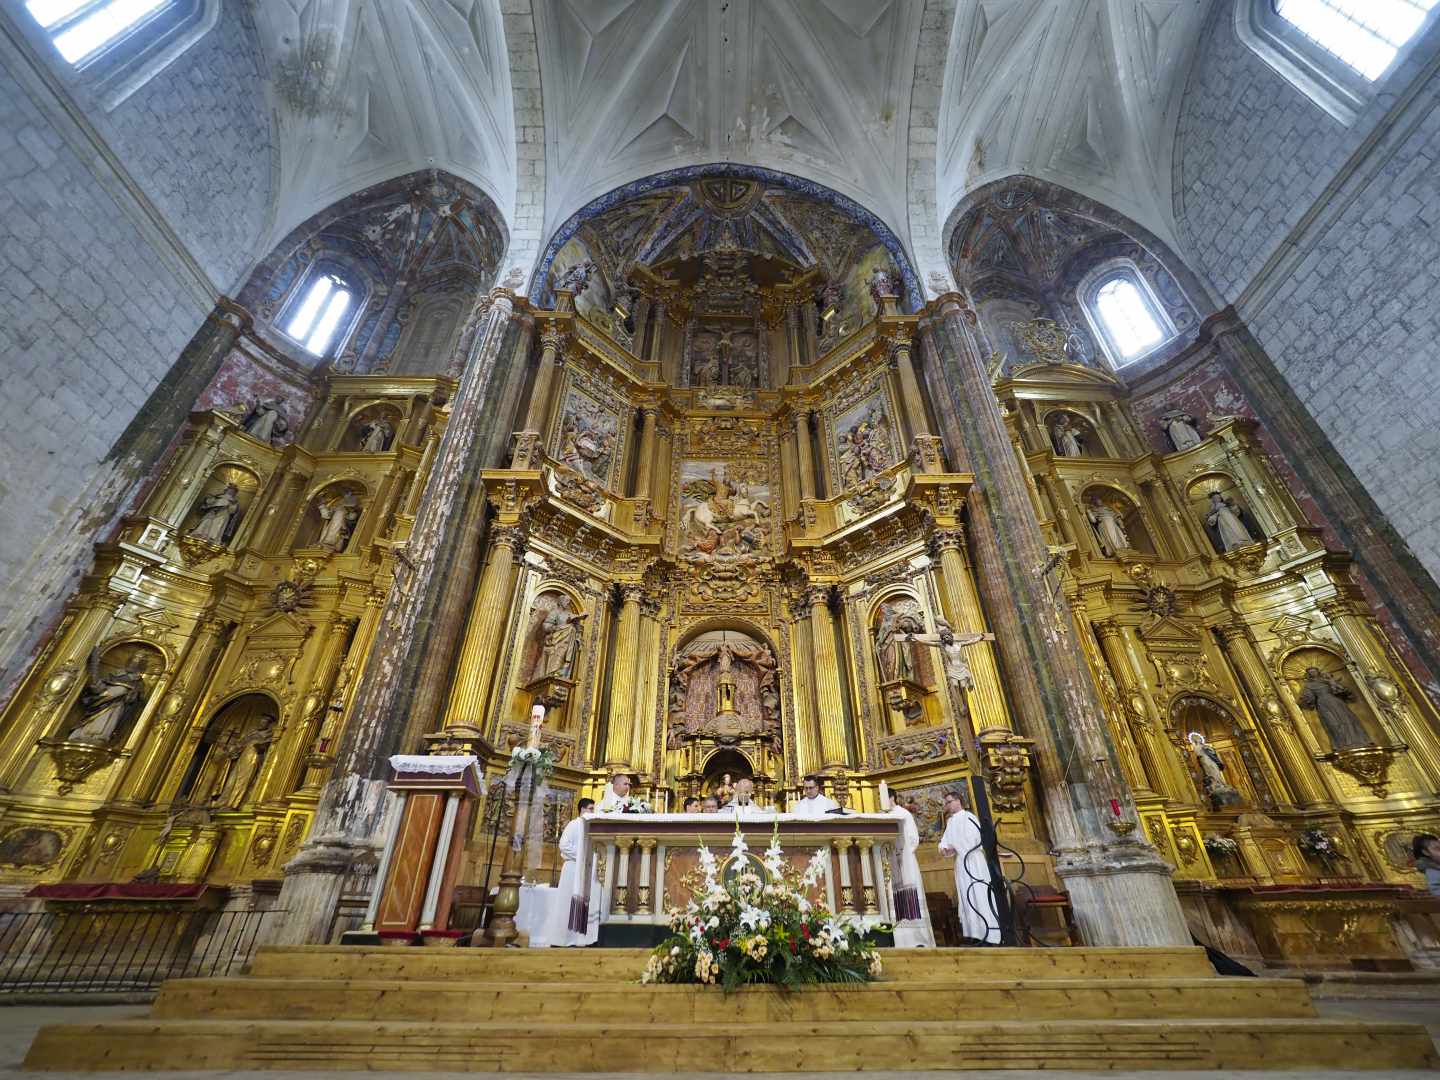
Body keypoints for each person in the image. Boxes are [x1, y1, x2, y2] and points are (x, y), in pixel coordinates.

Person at [938, 791, 999, 944]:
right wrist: (944, 848)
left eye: (949, 802)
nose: (947, 806)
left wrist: (955, 846)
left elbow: (974, 840)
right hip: (961, 863)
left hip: (974, 861)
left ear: (958, 800)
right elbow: (944, 840)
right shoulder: (951, 821)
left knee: (979, 894)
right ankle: (974, 933)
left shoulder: (969, 817)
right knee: (967, 897)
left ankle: (989, 934)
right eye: (946, 803)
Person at [546, 798, 600, 947]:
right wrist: (583, 855)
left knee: (582, 904)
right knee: (567, 903)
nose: (592, 812)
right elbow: (564, 846)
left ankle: (580, 938)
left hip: (583, 870)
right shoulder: (574, 824)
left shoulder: (589, 827)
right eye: (590, 809)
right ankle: (562, 938)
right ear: (582, 809)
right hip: (572, 869)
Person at [886, 795, 935, 947]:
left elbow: (913, 838)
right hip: (892, 862)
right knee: (896, 897)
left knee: (911, 895)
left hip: (906, 861)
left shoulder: (904, 814)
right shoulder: (884, 817)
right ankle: (902, 939)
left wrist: (902, 853)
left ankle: (918, 938)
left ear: (891, 797)